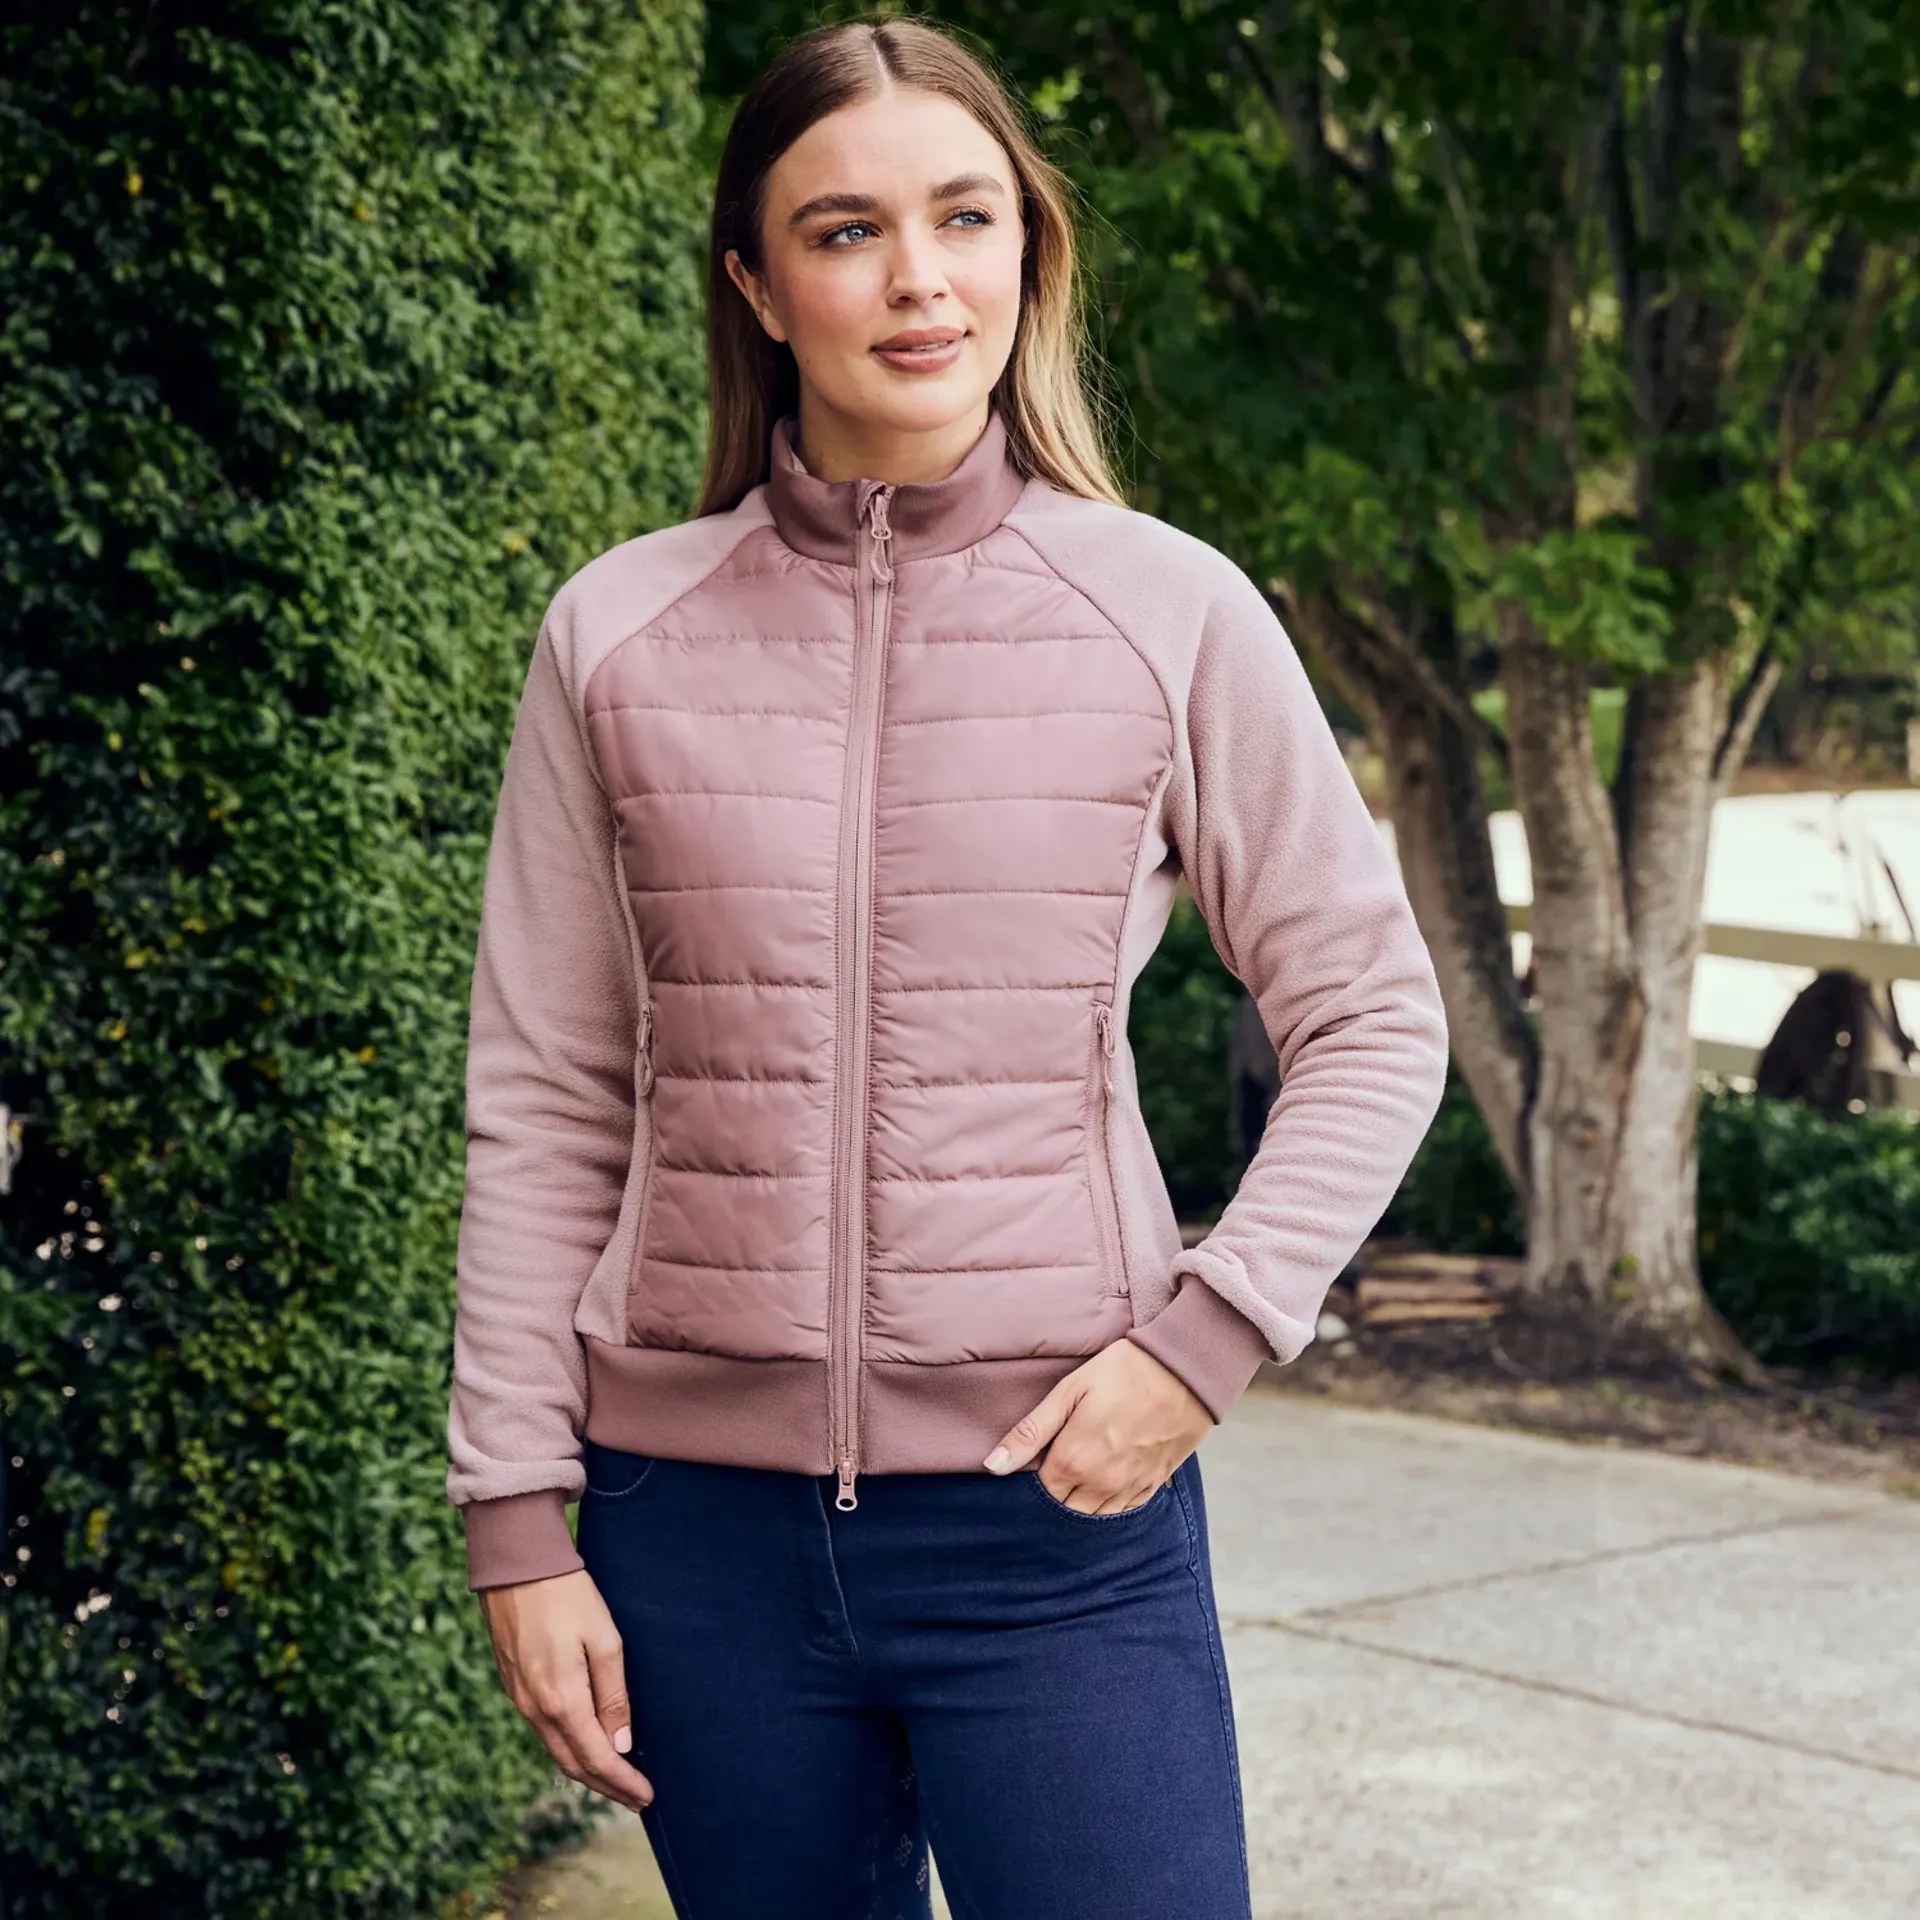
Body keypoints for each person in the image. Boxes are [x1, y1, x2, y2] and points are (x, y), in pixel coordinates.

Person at [445, 16, 1449, 1918]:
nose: (918, 278)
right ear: (758, 285)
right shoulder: (618, 632)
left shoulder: (1167, 609)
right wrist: (517, 1517)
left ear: (1027, 252)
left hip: (1055, 1520)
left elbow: (1373, 1013)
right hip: (695, 1547)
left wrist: (1208, 1339)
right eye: (846, 231)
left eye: (964, 217)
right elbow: (550, 1093)